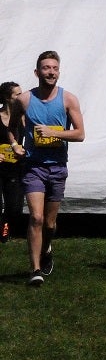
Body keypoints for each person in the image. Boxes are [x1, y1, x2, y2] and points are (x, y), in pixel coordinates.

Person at [13, 51, 86, 286]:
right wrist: (15, 144)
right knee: (35, 217)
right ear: (37, 72)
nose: (51, 72)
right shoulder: (24, 100)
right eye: (46, 68)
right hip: (33, 167)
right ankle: (35, 269)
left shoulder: (68, 99)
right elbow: (11, 126)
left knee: (49, 223)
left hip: (57, 167)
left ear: (59, 71)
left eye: (54, 68)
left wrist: (54, 132)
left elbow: (80, 134)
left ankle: (46, 249)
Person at [0, 81, 25, 243]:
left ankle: (5, 222)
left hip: (16, 166)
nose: (22, 97)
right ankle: (3, 231)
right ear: (8, 98)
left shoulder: (24, 118)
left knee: (14, 206)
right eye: (18, 94)